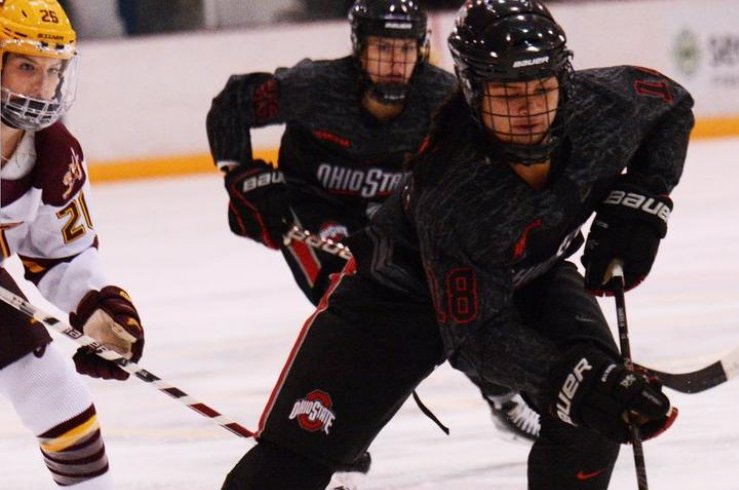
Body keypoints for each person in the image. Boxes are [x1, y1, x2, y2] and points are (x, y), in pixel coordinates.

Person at [220, 0, 693, 488]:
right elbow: (476, 337)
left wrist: (642, 197)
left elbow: (672, 104)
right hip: (399, 295)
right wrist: (566, 378)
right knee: (291, 461)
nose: (530, 110)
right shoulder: (452, 190)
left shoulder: (604, 105)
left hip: (532, 274)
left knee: (592, 418)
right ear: (472, 91)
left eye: (541, 89)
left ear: (564, 79)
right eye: (508, 95)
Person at [206, 0, 541, 475]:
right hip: (312, 210)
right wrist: (243, 174)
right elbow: (235, 102)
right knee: (350, 302)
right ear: (359, 49)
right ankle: (338, 436)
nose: (395, 62)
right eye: (383, 48)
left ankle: (502, 394)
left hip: (393, 218)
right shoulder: (315, 87)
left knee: (446, 299)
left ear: (423, 50)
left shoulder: (443, 99)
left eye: (405, 50)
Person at [0, 1, 145, 488]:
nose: (43, 88)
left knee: (53, 390)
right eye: (25, 66)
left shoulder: (53, 151)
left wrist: (94, 306)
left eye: (53, 71)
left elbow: (59, 252)